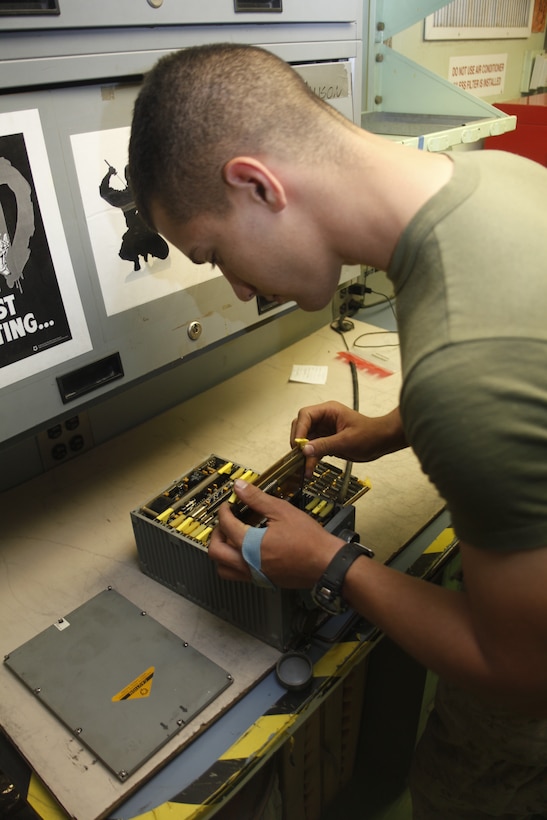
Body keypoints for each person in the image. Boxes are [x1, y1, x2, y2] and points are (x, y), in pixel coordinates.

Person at [129, 43, 547, 819]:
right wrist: (398, 425)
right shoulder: (500, 179)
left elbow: (521, 670)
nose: (241, 288)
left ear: (257, 184)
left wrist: (330, 563)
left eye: (216, 253)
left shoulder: (463, 370)